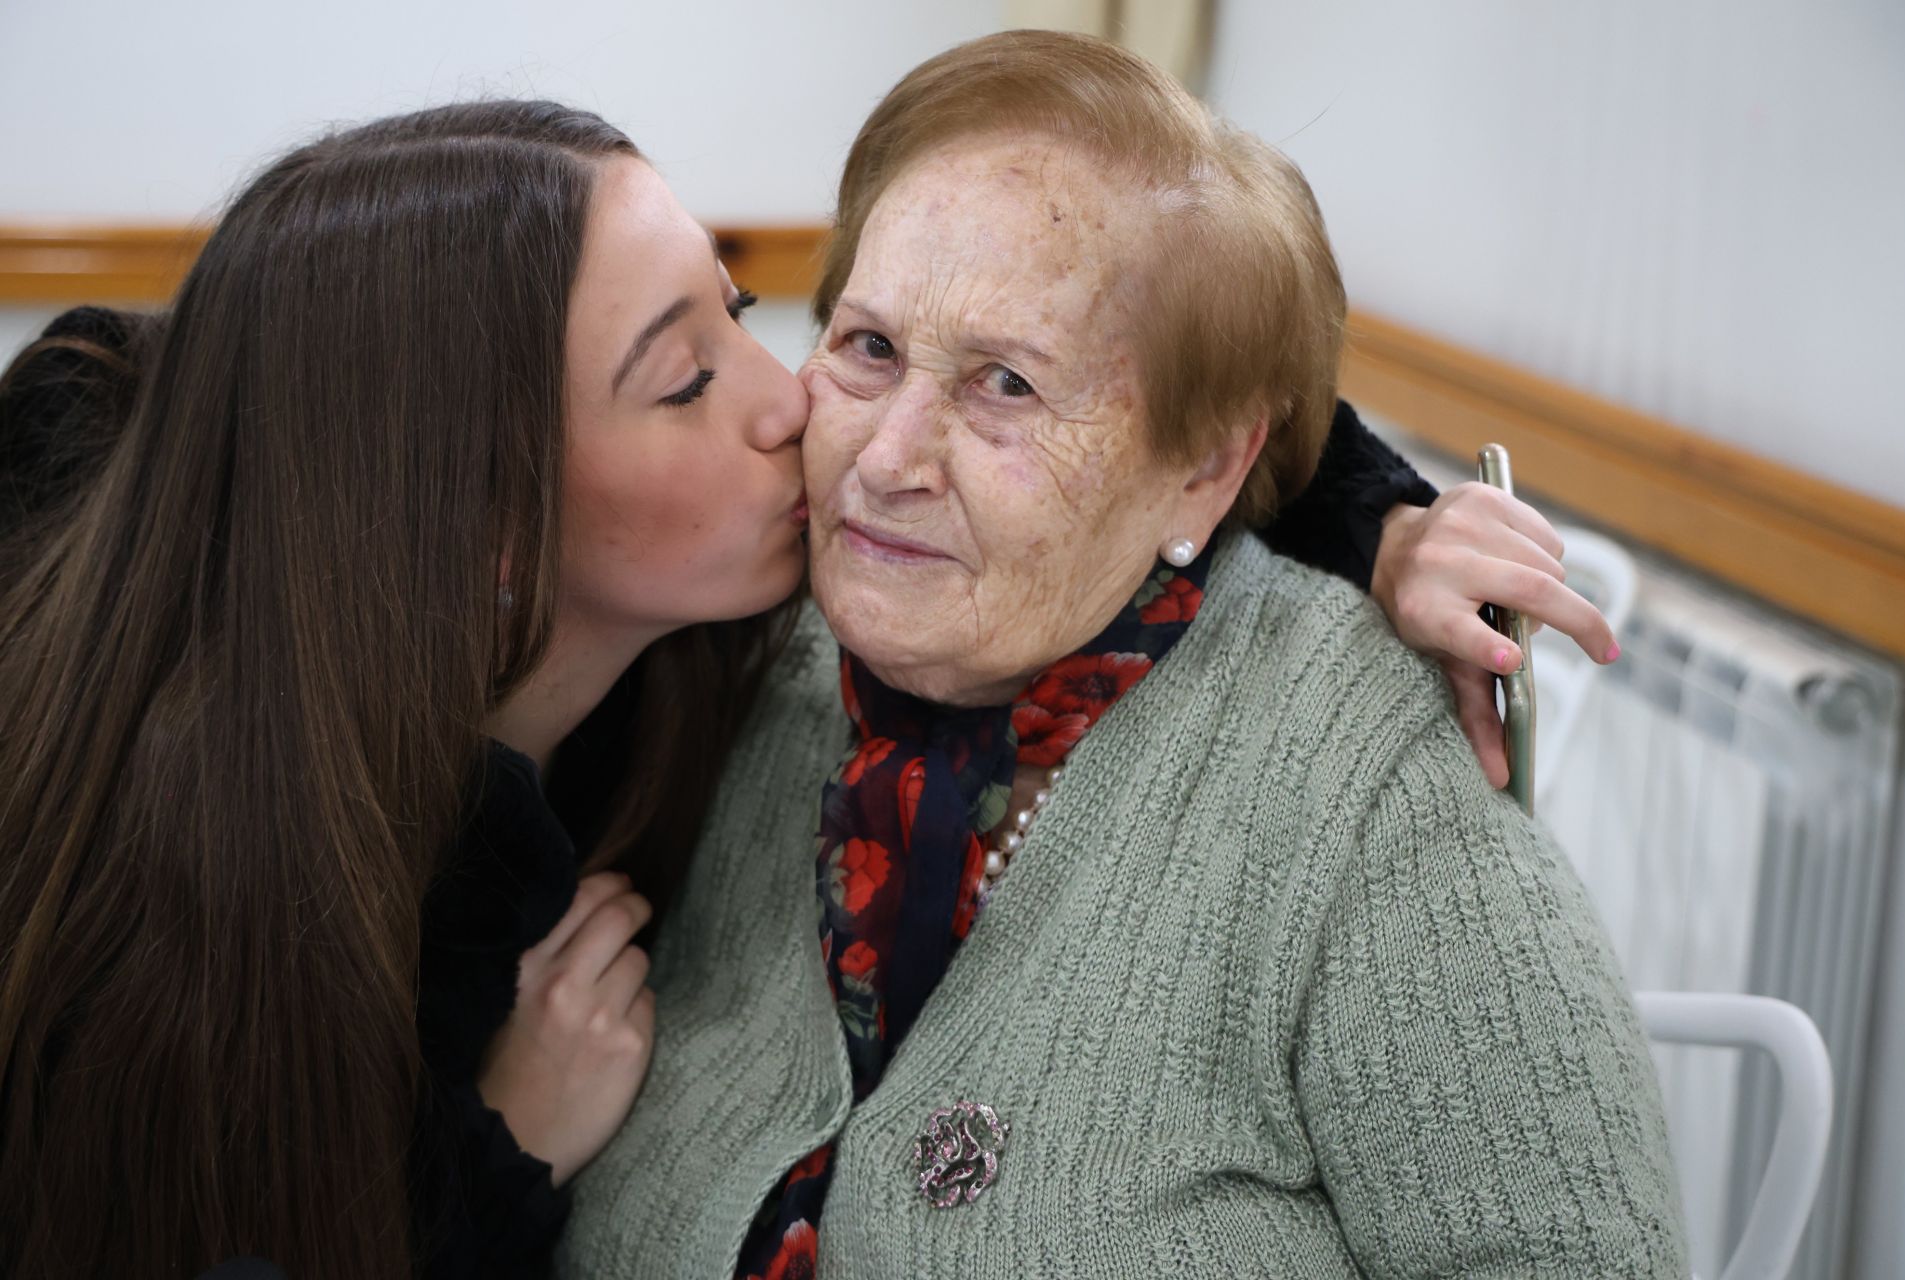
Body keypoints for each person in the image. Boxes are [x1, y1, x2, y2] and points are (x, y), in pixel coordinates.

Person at [0, 96, 1608, 1280]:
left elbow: (1157, 377)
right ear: (488, 531)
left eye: (749, 312)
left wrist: (1373, 515)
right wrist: (501, 1155)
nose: (805, 413)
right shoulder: (168, 878)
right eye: (692, 379)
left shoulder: (742, 639)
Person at [557, 31, 1687, 1279]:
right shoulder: (722, 658)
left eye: (1005, 384)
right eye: (870, 347)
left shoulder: (1361, 778)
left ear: (1204, 465)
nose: (886, 458)